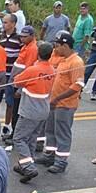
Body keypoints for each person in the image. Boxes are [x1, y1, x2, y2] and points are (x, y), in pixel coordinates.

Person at [35, 31, 85, 174]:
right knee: (50, 131)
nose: (55, 49)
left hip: (65, 105)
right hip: (53, 103)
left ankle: (61, 161)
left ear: (65, 45)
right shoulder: (63, 60)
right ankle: (49, 155)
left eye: (58, 45)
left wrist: (58, 98)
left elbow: (77, 86)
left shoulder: (76, 62)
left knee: (62, 133)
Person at [12, 42, 55, 183]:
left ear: (38, 54)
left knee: (19, 138)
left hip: (30, 111)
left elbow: (16, 82)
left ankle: (28, 166)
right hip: (44, 110)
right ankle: (25, 164)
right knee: (31, 139)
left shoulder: (33, 70)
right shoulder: (52, 70)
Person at [0, 14, 21, 128]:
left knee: (10, 103)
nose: (3, 25)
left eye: (5, 22)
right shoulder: (0, 37)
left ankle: (7, 125)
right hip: (0, 75)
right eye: (3, 22)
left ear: (13, 24)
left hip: (11, 76)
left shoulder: (19, 39)